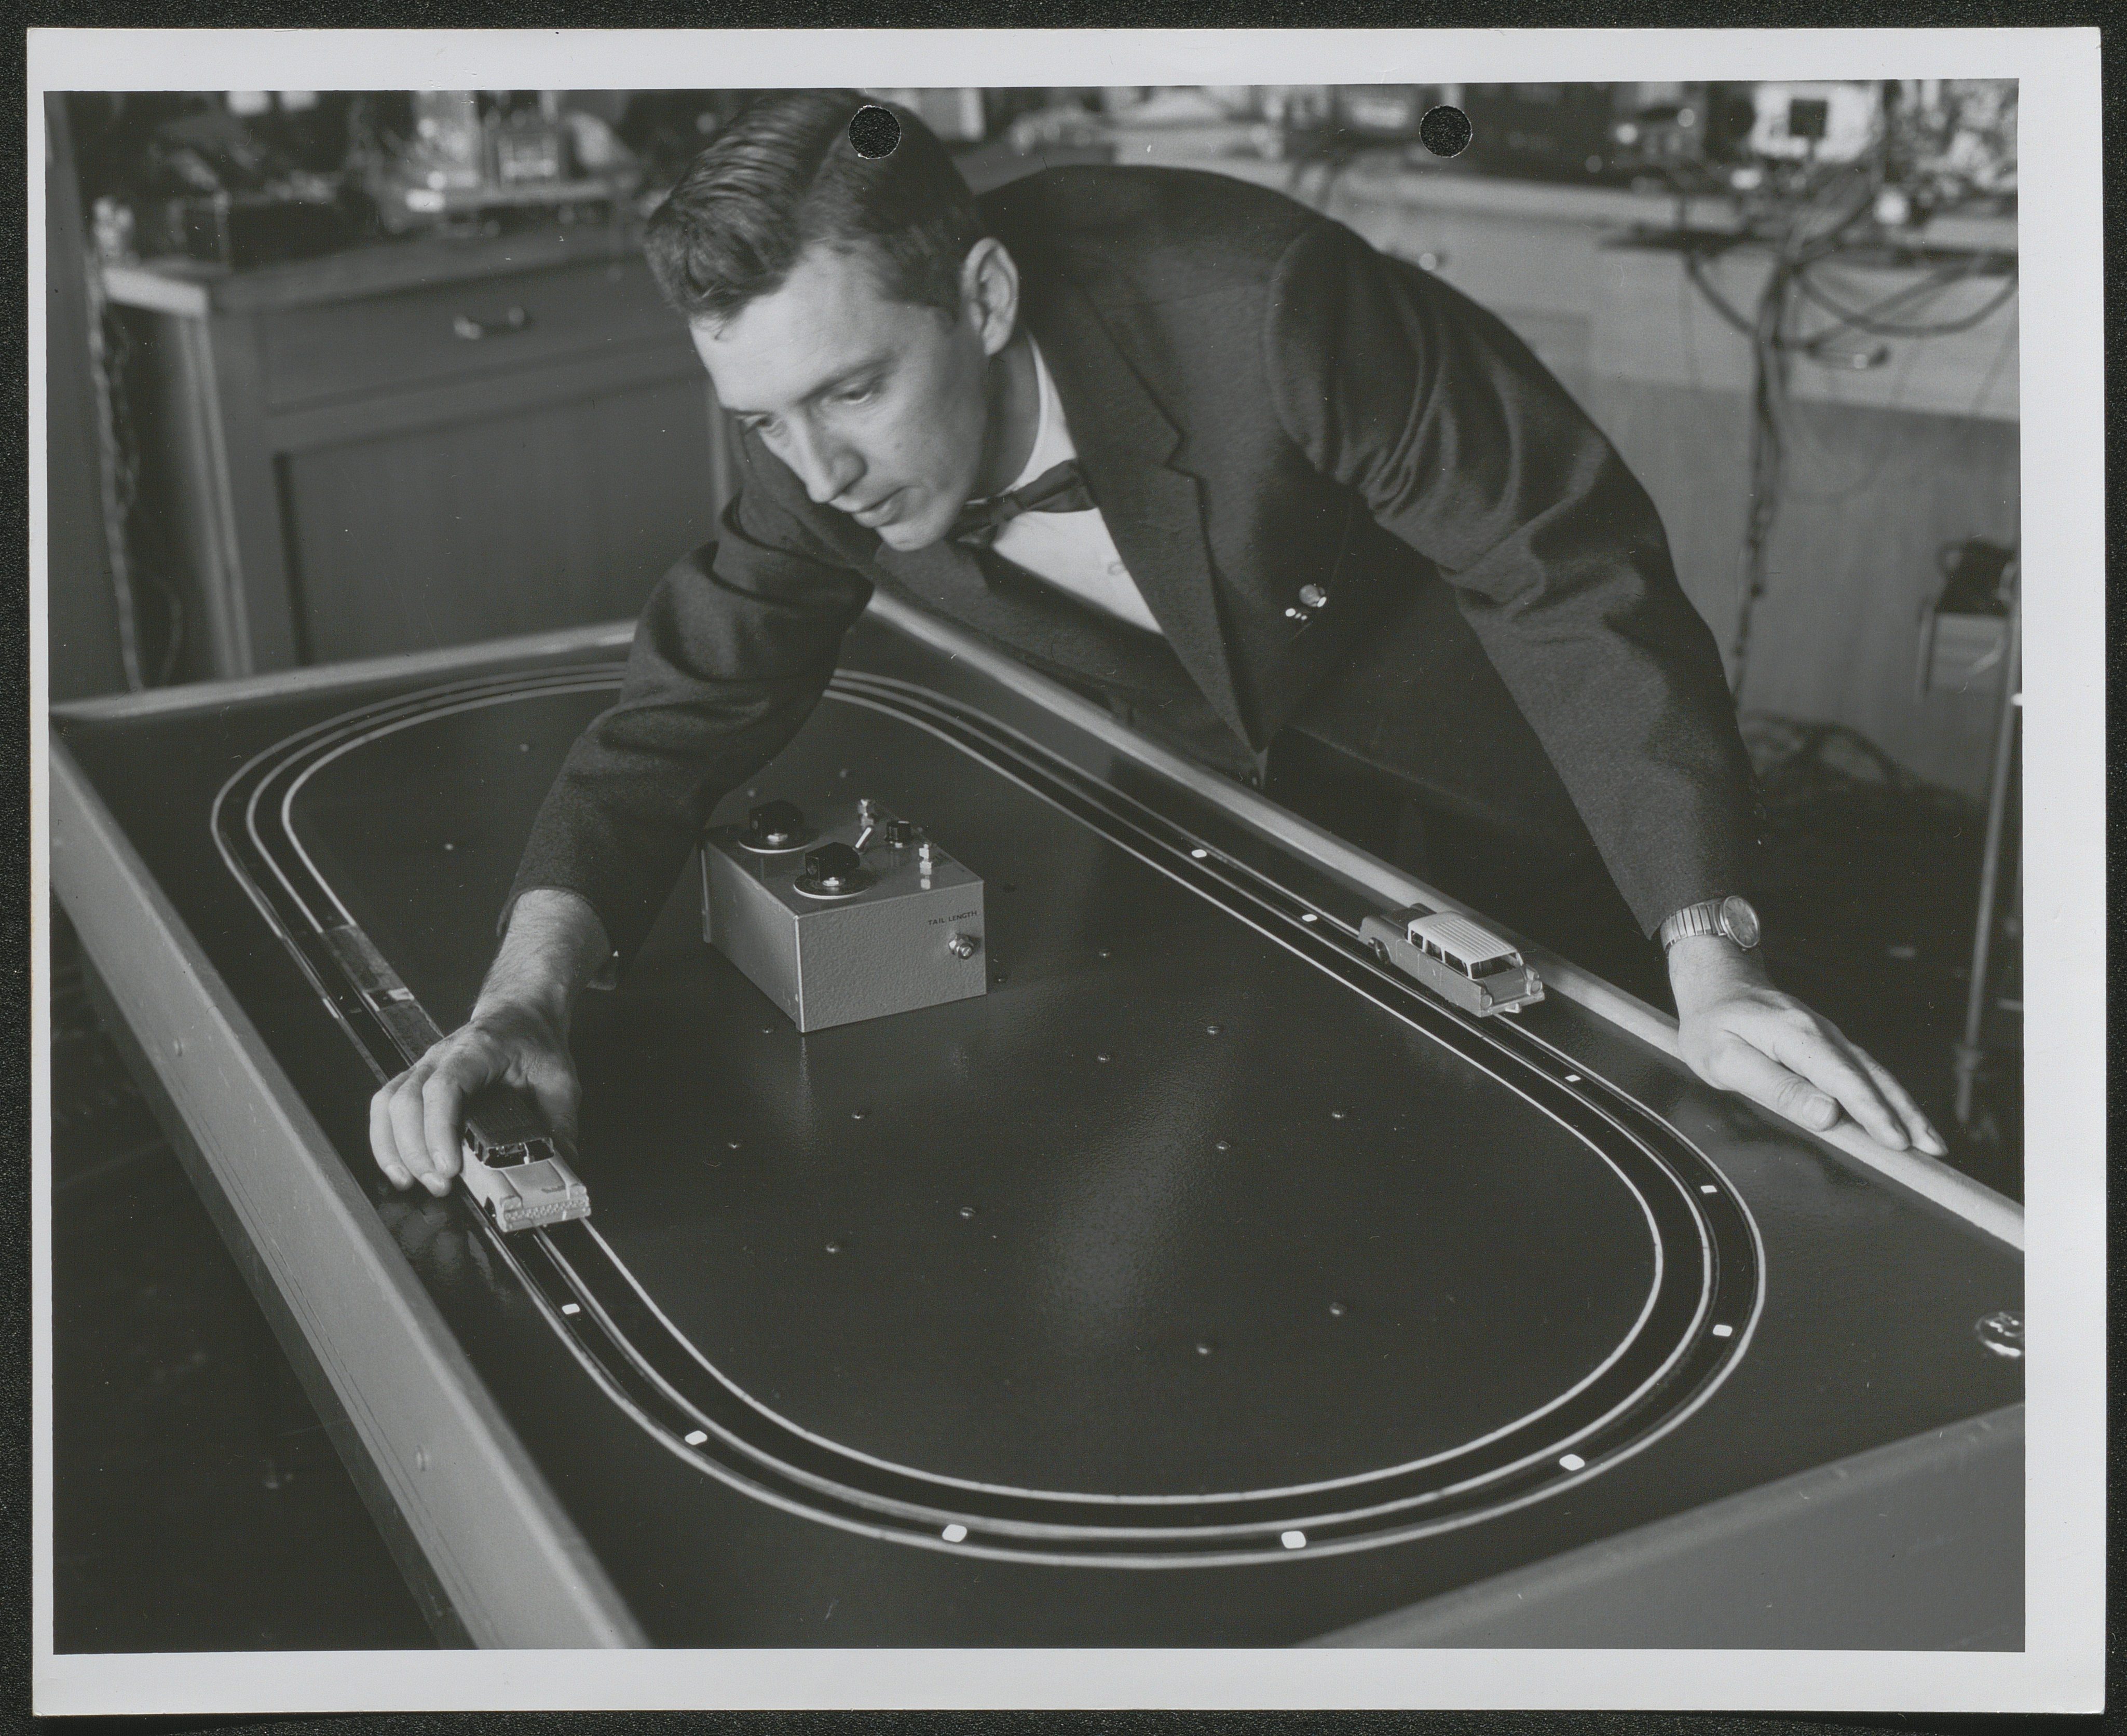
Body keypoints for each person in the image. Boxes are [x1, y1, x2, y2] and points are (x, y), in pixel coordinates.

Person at [368, 89, 1944, 1197]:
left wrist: (1713, 958)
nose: (819, 471)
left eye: (850, 392)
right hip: (1254, 850)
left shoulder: (1265, 307)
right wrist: (521, 1000)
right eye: (764, 420)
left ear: (980, 296)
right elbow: (676, 717)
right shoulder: (812, 454)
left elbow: (1565, 572)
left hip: (1539, 802)